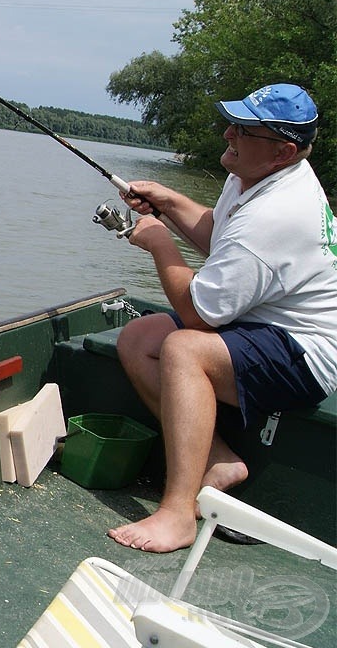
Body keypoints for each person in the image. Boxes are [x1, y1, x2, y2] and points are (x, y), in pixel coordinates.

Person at [107, 83, 337, 553]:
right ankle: (218, 459)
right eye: (232, 121)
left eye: (243, 129)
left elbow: (197, 314)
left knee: (182, 347)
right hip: (263, 324)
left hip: (308, 353)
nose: (228, 132)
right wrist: (169, 203)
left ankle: (178, 513)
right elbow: (218, 232)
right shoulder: (254, 173)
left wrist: (159, 242)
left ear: (282, 150)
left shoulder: (278, 213)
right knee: (138, 337)